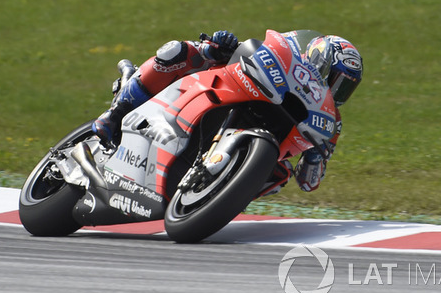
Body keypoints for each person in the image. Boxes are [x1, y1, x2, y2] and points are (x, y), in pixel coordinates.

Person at [91, 29, 363, 193]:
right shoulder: (291, 63)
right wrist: (224, 47)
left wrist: (315, 155)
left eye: (345, 89)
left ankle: (219, 194)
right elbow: (256, 52)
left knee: (280, 176)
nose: (337, 93)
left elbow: (308, 184)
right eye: (337, 81)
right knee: (181, 51)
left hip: (266, 143)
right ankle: (116, 113)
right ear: (320, 60)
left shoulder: (329, 123)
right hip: (231, 89)